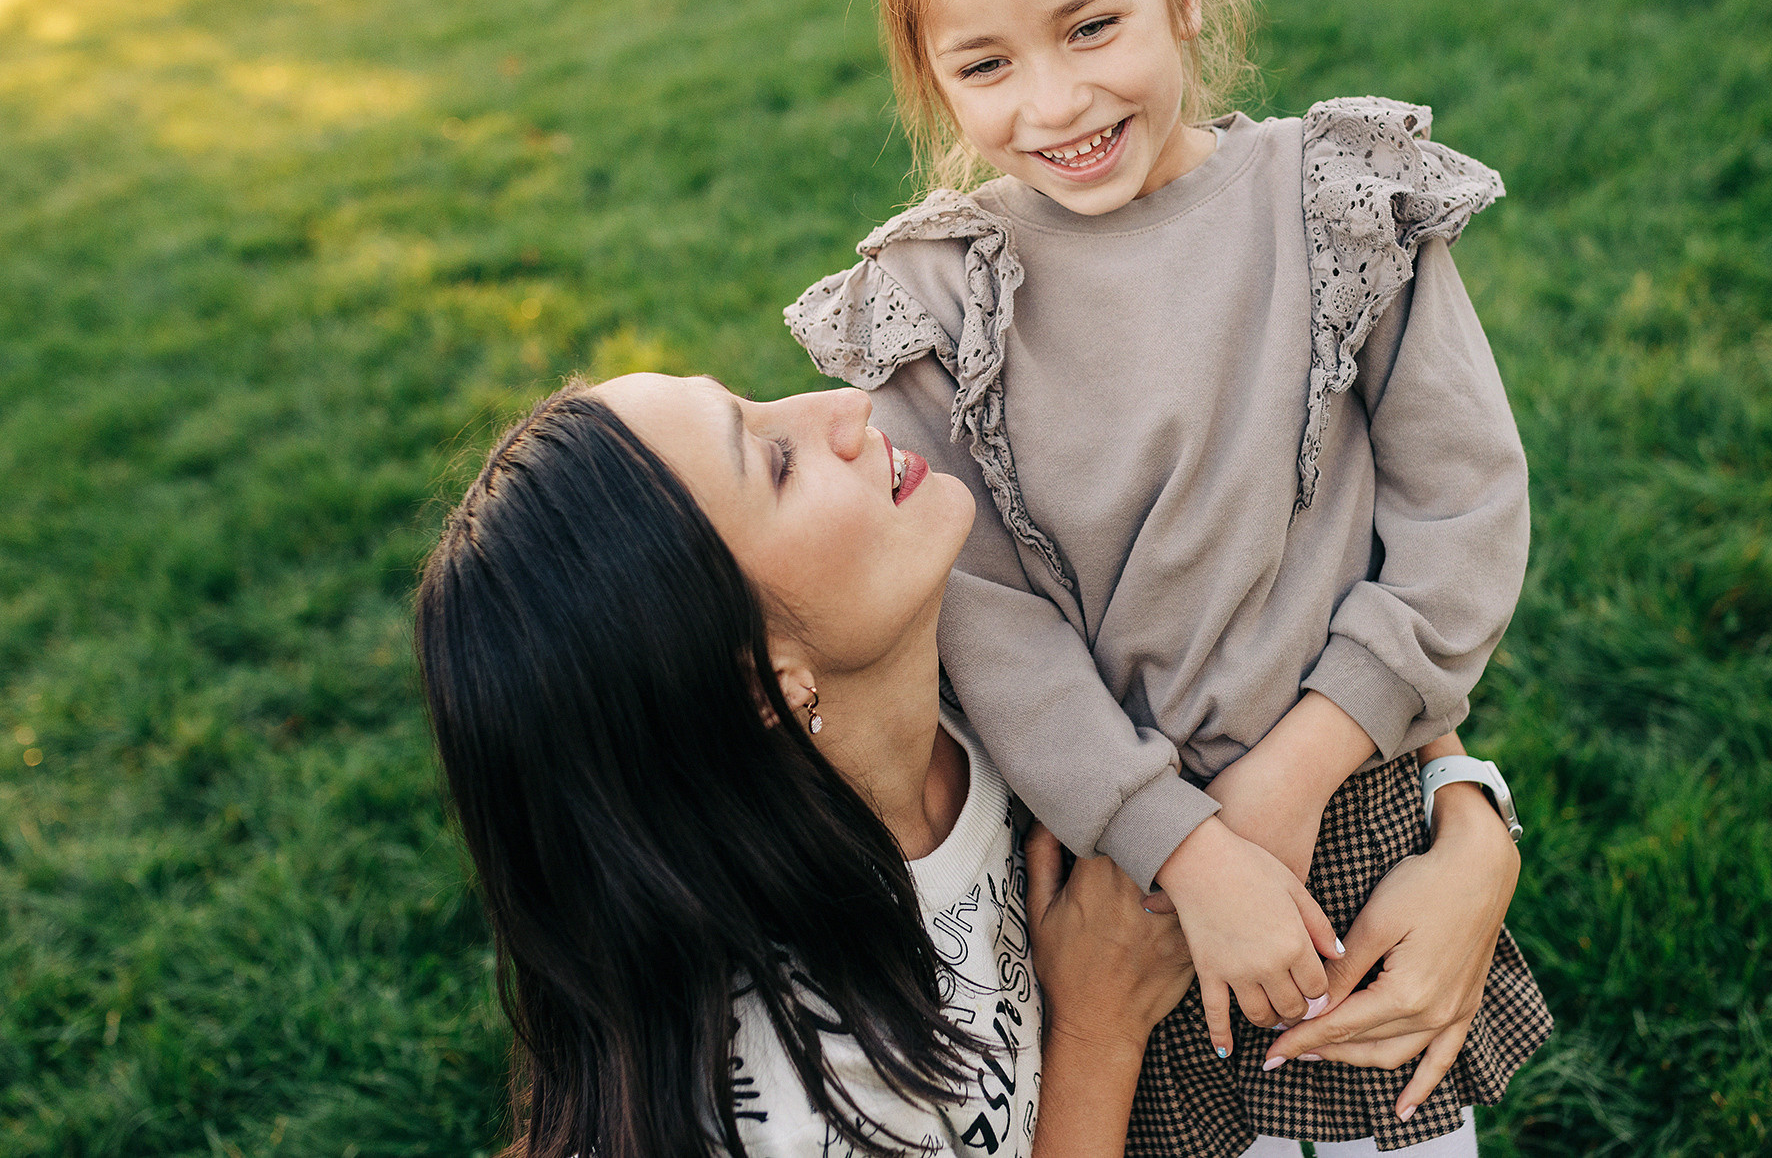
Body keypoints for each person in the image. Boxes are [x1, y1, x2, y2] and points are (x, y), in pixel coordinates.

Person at [786, 0, 1553, 1156]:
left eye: (1093, 26)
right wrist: (1183, 844)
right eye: (987, 64)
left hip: (1357, 817)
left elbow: (1466, 511)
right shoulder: (940, 303)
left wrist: (1302, 765)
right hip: (1110, 880)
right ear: (928, 71)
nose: (1058, 100)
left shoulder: (1336, 207)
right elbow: (984, 620)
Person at [414, 375, 1199, 1158]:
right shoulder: (796, 1103)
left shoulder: (988, 681)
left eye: (751, 400)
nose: (848, 403)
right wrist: (1099, 1032)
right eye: (777, 464)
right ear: (760, 682)